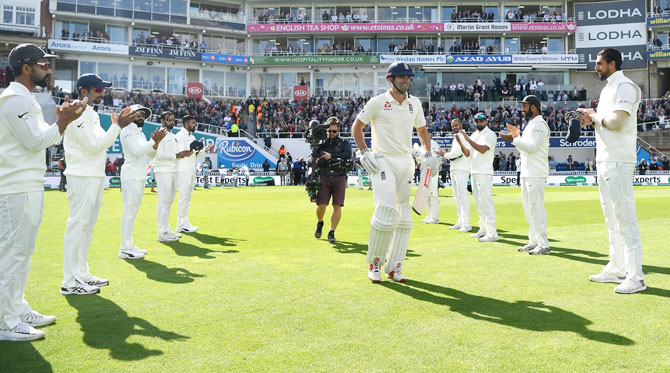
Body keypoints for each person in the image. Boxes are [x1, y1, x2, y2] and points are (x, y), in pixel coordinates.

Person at [0, 44, 85, 341]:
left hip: (28, 185)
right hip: (15, 187)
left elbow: (39, 140)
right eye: (43, 64)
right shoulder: (13, 100)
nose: (48, 69)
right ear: (26, 68)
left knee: (22, 254)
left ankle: (16, 308)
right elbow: (37, 142)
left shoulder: (26, 99)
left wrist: (61, 122)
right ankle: (5, 322)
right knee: (11, 255)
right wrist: (63, 122)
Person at [352, 62, 433, 283]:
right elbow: (356, 127)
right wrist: (364, 151)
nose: (405, 81)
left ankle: (395, 266)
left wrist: (428, 153)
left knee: (404, 218)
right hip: (382, 160)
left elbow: (423, 130)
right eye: (401, 77)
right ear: (391, 79)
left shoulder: (414, 103)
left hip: (405, 161)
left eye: (408, 77)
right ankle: (374, 263)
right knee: (386, 213)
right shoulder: (377, 102)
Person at [61, 73, 138, 295]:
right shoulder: (78, 112)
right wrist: (118, 127)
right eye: (97, 89)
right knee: (77, 226)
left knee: (86, 226)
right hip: (82, 175)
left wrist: (115, 126)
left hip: (94, 175)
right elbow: (95, 146)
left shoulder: (91, 114)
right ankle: (69, 281)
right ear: (84, 91)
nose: (102, 92)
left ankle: (82, 274)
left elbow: (100, 145)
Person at [577, 48, 645, 294]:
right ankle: (616, 268)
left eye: (599, 63)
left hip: (619, 160)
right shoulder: (607, 89)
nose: (596, 67)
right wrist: (590, 119)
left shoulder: (626, 86)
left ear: (612, 64)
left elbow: (616, 122)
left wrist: (594, 116)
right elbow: (604, 121)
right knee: (611, 219)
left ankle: (636, 276)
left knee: (625, 217)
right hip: (605, 160)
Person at [500, 95, 551, 255]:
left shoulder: (540, 125)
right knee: (529, 208)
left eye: (525, 106)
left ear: (534, 107)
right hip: (527, 171)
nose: (523, 109)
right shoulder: (530, 125)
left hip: (536, 172)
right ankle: (534, 241)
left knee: (536, 208)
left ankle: (544, 244)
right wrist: (516, 137)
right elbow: (525, 148)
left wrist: (513, 139)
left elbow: (533, 148)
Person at [119, 105, 165, 259]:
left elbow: (150, 154)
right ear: (131, 116)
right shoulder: (126, 131)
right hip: (131, 174)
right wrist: (153, 140)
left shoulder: (139, 133)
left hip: (139, 174)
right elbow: (137, 151)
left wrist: (156, 144)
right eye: (138, 114)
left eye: (143, 115)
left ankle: (129, 244)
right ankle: (125, 248)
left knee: (133, 212)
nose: (141, 118)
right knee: (129, 211)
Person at [458, 113, 499, 242]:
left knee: (485, 202)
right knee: (478, 202)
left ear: (486, 121)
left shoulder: (490, 134)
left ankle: (492, 233)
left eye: (481, 120)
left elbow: (482, 149)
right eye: (476, 121)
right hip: (474, 171)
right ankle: (483, 229)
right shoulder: (474, 135)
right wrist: (460, 142)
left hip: (484, 172)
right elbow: (468, 153)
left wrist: (468, 139)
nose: (479, 123)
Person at [154, 112, 193, 242]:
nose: (171, 121)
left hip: (173, 170)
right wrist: (177, 155)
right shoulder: (160, 134)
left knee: (168, 202)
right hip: (164, 171)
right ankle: (161, 233)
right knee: (163, 202)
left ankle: (166, 229)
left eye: (172, 119)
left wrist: (183, 154)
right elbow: (158, 155)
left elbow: (173, 154)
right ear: (162, 121)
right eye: (168, 119)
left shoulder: (171, 135)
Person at [313, 117, 352, 243]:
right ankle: (320, 223)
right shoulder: (321, 143)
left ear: (338, 130)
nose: (331, 133)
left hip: (339, 176)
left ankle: (331, 232)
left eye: (334, 131)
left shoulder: (344, 142)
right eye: (329, 131)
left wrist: (332, 156)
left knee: (337, 206)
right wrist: (314, 160)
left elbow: (347, 155)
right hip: (324, 176)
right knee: (321, 205)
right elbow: (313, 156)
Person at [176, 115, 213, 233]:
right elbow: (181, 153)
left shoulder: (192, 137)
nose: (194, 125)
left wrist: (203, 150)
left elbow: (195, 155)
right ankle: (180, 224)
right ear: (186, 123)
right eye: (193, 123)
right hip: (183, 170)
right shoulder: (180, 136)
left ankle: (185, 222)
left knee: (188, 197)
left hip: (191, 169)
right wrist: (192, 149)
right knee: (183, 197)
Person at [435, 118, 471, 232]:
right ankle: (460, 221)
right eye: (452, 125)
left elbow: (458, 154)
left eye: (456, 125)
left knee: (463, 197)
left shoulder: (463, 136)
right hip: (454, 169)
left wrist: (444, 154)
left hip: (462, 169)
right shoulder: (456, 138)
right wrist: (445, 154)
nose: (454, 127)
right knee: (457, 197)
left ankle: (466, 223)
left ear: (461, 124)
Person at [417, 140, 442, 224]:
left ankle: (435, 217)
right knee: (426, 194)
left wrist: (423, 154)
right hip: (424, 171)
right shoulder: (421, 145)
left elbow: (436, 156)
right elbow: (419, 160)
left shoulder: (434, 143)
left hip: (432, 170)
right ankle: (429, 215)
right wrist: (417, 154)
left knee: (433, 193)